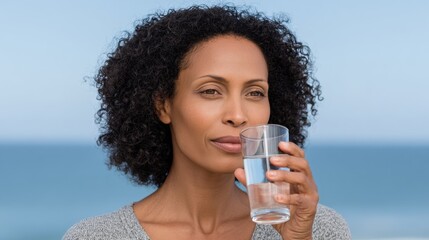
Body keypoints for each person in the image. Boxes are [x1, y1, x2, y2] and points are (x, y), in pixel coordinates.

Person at [63, 5, 351, 240]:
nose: (237, 115)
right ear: (164, 105)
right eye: (210, 91)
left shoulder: (318, 228)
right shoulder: (95, 236)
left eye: (255, 93)